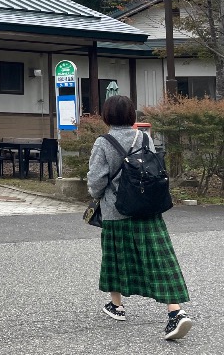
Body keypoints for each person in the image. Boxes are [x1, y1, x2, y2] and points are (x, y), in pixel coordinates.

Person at [87, 95, 192, 341]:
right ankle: (175, 311)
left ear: (106, 116)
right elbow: (153, 170)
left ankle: (117, 305)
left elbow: (96, 181)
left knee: (115, 257)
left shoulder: (103, 142)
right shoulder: (144, 138)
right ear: (131, 114)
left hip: (116, 211)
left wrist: (97, 196)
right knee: (159, 260)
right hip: (147, 209)